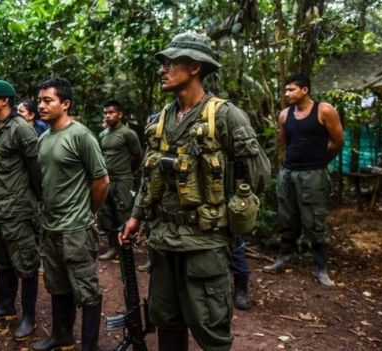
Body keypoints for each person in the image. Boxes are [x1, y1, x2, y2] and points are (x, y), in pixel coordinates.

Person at [120, 32, 270, 351]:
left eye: (172, 63)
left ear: (195, 68)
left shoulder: (226, 116)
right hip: (163, 239)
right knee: (166, 319)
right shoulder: (159, 120)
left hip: (205, 243)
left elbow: (258, 174)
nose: (164, 69)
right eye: (164, 63)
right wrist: (136, 217)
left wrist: (231, 209)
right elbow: (150, 174)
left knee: (210, 326)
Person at [32, 78, 109, 351]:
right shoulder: (43, 138)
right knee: (57, 285)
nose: (41, 105)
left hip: (76, 228)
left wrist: (89, 212)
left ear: (65, 104)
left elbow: (101, 179)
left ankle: (89, 346)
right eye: (39, 100)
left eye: (47, 100)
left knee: (86, 289)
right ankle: (61, 335)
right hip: (51, 226)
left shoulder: (81, 135)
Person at [264, 73, 344, 287]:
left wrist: (321, 161)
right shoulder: (284, 114)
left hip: (314, 174)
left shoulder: (324, 110)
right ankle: (283, 258)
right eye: (286, 90)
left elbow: (338, 141)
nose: (287, 93)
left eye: (291, 89)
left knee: (315, 219)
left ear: (305, 90)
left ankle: (321, 269)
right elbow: (285, 143)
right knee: (287, 216)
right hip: (289, 173)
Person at [0, 80, 42, 341]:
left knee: (26, 265)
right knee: (1, 261)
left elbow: (37, 172)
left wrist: (35, 204)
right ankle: (5, 305)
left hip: (18, 212)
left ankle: (28, 317)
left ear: (5, 100)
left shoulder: (21, 130)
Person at [97, 99, 142, 261]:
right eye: (106, 113)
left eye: (111, 112)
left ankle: (125, 247)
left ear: (120, 114)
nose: (108, 116)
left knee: (123, 213)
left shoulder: (128, 134)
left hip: (123, 180)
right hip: (107, 180)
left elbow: (137, 156)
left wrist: (128, 172)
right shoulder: (102, 135)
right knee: (106, 214)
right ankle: (112, 247)